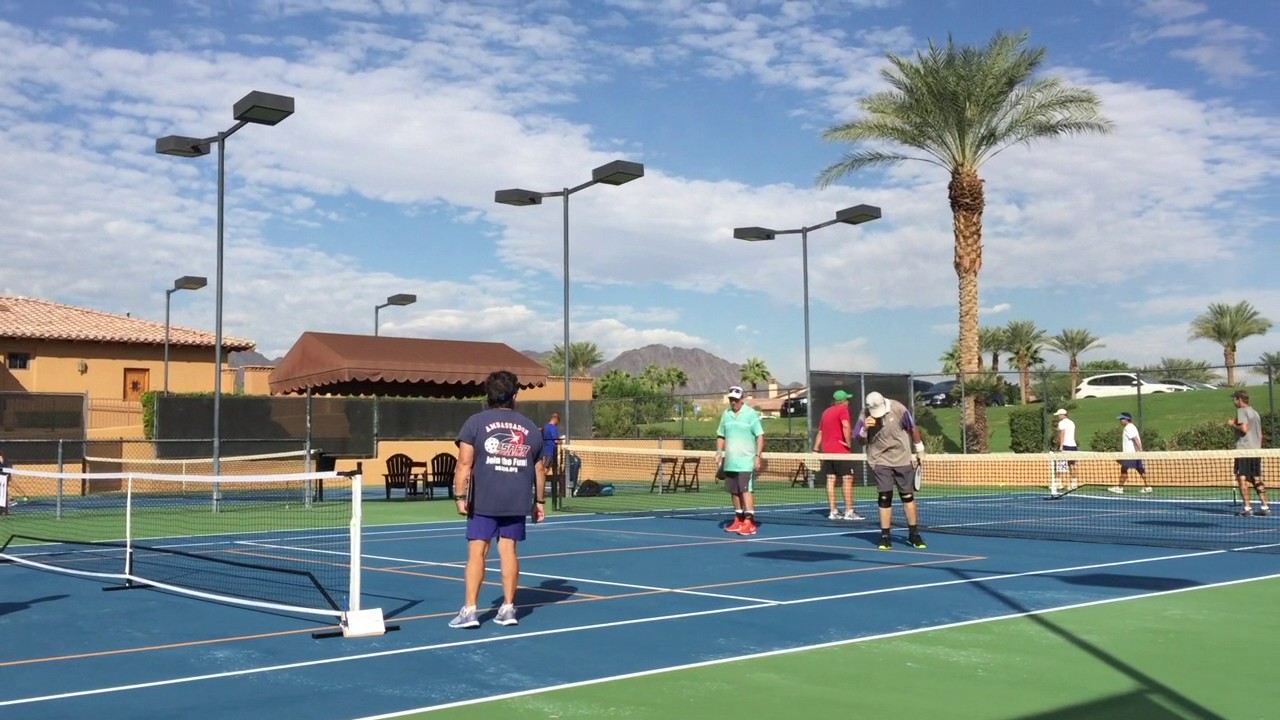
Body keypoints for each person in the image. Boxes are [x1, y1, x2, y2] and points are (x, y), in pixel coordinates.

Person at [449, 370, 547, 629]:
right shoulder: (530, 428)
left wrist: (459, 496)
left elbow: (464, 463)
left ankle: (470, 611)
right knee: (509, 551)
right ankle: (508, 608)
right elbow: (539, 469)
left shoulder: (474, 422)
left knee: (477, 552)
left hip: (483, 500)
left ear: (488, 395)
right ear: (514, 395)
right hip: (516, 501)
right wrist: (539, 502)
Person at [854, 391, 926, 550]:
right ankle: (885, 536)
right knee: (884, 497)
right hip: (880, 460)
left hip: (902, 458)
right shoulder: (864, 414)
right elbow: (859, 440)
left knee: (907, 497)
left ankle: (914, 534)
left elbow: (912, 428)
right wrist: (864, 429)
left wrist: (919, 448)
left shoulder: (899, 409)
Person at [718, 385, 765, 536]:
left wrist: (757, 456)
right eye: (731, 399)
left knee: (745, 489)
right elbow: (721, 435)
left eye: (736, 400)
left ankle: (749, 522)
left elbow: (760, 436)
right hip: (730, 461)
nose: (733, 402)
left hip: (746, 461)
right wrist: (719, 452)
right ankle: (738, 519)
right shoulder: (726, 415)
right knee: (734, 491)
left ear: (741, 399)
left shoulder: (751, 414)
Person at [813, 389, 863, 520]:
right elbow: (846, 426)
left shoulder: (826, 412)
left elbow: (820, 432)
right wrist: (848, 443)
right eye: (847, 400)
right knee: (847, 480)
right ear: (844, 401)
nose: (848, 402)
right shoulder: (843, 410)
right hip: (841, 452)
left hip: (827, 453)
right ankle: (849, 511)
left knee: (830, 480)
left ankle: (833, 511)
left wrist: (815, 449)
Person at [1229, 390, 1269, 517]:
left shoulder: (1242, 411)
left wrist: (1233, 424)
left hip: (1244, 450)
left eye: (1234, 399)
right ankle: (1265, 506)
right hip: (1255, 450)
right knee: (1256, 478)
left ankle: (1247, 508)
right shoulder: (1255, 413)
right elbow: (1261, 435)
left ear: (1239, 399)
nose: (1234, 402)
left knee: (1242, 478)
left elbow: (1244, 429)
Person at [1109, 412, 1152, 494]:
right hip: (1135, 454)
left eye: (1122, 419)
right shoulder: (1132, 427)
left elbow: (1135, 439)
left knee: (1124, 469)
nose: (1120, 421)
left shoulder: (1128, 428)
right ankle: (1148, 486)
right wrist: (1139, 451)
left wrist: (1140, 450)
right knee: (1140, 469)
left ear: (1126, 419)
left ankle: (1119, 488)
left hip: (1130, 454)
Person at [1051, 408, 1079, 495]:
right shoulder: (1071, 422)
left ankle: (1058, 483)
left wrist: (1061, 446)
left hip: (1066, 446)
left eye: (1059, 415)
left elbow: (1062, 435)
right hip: (1073, 446)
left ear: (1062, 415)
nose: (1058, 417)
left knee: (1061, 464)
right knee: (1072, 465)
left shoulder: (1062, 423)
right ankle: (1074, 484)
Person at [542, 412, 563, 504]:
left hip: (546, 452)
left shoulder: (545, 427)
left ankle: (542, 491)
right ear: (556, 419)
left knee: (546, 471)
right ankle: (541, 491)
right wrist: (561, 441)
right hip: (550, 453)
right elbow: (556, 440)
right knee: (544, 472)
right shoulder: (552, 428)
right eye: (558, 421)